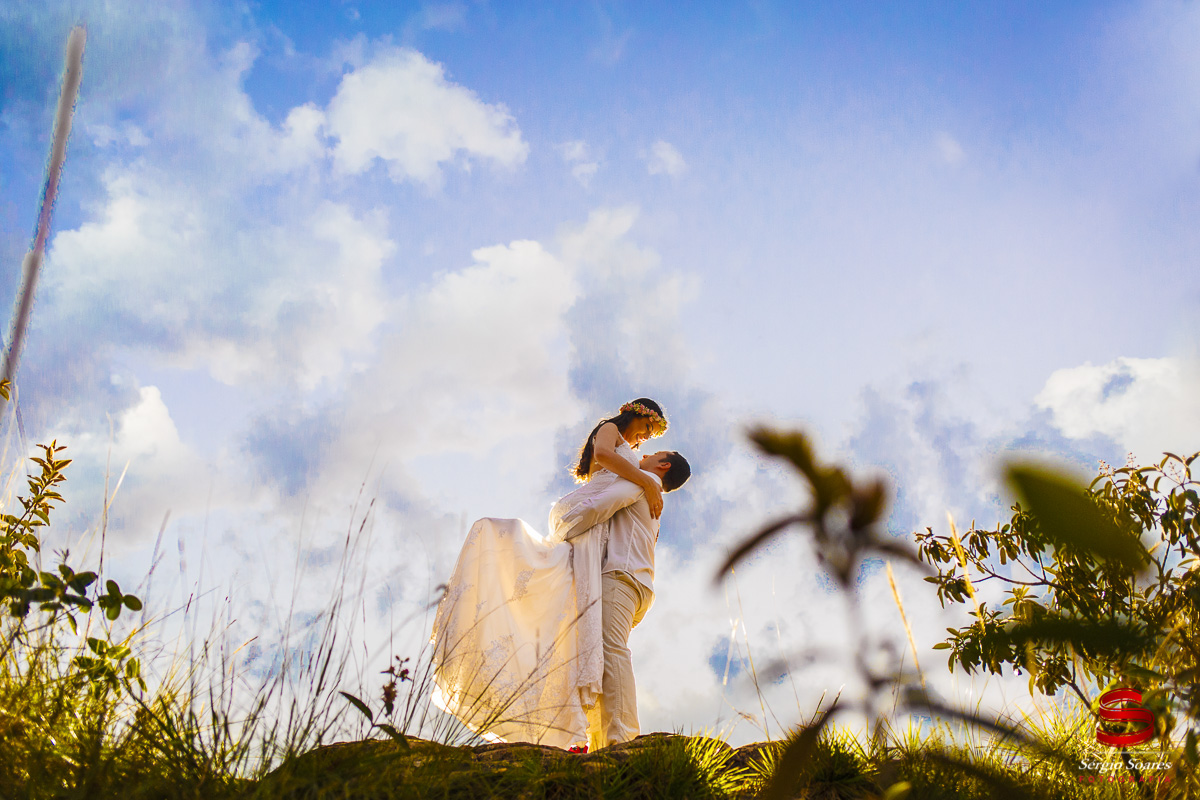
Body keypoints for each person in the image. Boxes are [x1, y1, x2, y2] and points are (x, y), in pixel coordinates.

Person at [429, 399, 690, 750]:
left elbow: (595, 509)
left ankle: (622, 738)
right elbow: (604, 466)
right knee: (597, 654)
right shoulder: (642, 484)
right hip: (628, 579)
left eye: (653, 443)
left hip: (620, 577)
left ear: (662, 464)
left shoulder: (640, 484)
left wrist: (563, 528)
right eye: (647, 432)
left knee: (611, 652)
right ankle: (600, 743)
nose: (644, 445)